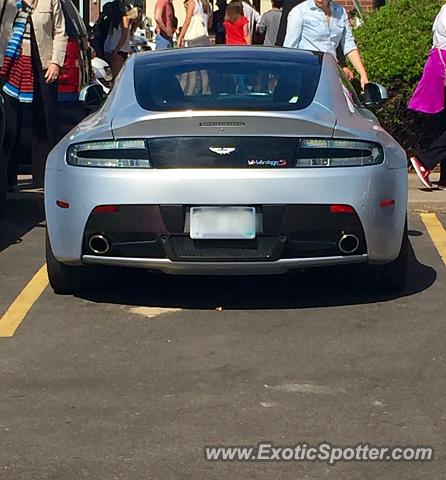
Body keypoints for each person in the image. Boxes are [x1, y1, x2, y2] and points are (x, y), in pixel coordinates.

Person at [0, 0, 67, 189]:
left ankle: (45, 178)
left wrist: (56, 62)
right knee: (10, 124)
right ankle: (7, 178)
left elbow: (60, 31)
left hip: (43, 64)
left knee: (45, 122)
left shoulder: (51, 1)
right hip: (11, 66)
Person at [283, 0, 368, 89]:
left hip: (332, 70)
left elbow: (349, 44)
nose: (320, 0)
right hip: (308, 72)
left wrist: (363, 74)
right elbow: (290, 49)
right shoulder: (299, 12)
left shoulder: (340, 12)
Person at [408, 4, 446, 190]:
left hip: (438, 66)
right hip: (442, 68)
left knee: (443, 122)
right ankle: (425, 161)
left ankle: (445, 178)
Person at [104, 1, 135, 79]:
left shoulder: (124, 19)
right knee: (113, 76)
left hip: (119, 50)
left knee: (117, 77)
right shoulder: (114, 21)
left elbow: (124, 37)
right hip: (111, 49)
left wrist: (116, 50)